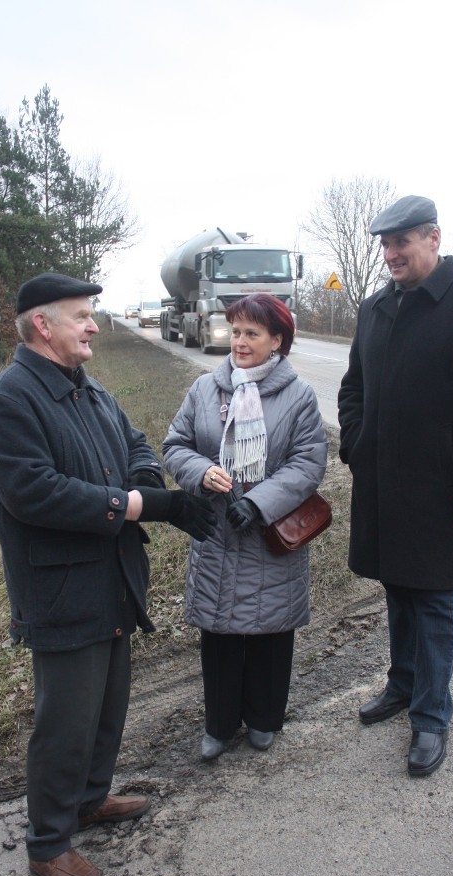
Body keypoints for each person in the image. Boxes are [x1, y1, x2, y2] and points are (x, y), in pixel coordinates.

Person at [0, 272, 216, 876]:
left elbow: (134, 444)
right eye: (82, 316)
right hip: (61, 586)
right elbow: (34, 492)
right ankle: (49, 842)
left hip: (112, 575)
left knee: (107, 702)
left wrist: (143, 481)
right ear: (42, 325)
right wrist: (144, 505)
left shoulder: (89, 391)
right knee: (67, 718)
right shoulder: (11, 399)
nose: (92, 326)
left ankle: (88, 799)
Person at [337, 196, 453, 776]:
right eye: (385, 245)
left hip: (443, 488)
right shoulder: (374, 309)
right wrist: (357, 446)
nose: (391, 254)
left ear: (433, 238)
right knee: (396, 587)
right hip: (384, 482)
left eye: (402, 243)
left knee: (435, 598)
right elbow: (353, 389)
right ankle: (403, 685)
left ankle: (431, 716)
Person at [162, 293, 328, 760]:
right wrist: (199, 471)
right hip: (217, 535)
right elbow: (175, 444)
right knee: (219, 636)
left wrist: (257, 504)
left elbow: (308, 462)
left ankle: (263, 719)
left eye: (252, 333)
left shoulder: (298, 396)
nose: (240, 341)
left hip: (269, 536)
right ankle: (218, 724)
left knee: (270, 634)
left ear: (277, 340)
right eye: (236, 331)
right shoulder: (205, 389)